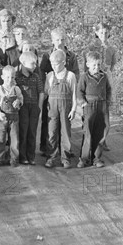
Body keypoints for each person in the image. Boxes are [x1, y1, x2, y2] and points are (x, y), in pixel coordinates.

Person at [39, 27, 80, 155]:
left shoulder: (71, 56)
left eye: (62, 39)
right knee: (50, 122)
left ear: (66, 40)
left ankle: (65, 150)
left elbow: (76, 73)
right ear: (52, 41)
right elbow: (42, 71)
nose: (60, 42)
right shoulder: (47, 55)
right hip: (52, 91)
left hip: (66, 91)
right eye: (57, 40)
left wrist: (72, 86)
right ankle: (47, 148)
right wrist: (45, 88)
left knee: (65, 123)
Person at [84, 22, 117, 151]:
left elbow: (113, 64)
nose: (104, 34)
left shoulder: (111, 48)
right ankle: (90, 139)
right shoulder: (91, 47)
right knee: (92, 110)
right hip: (93, 77)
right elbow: (87, 63)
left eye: (106, 32)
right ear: (96, 33)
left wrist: (108, 73)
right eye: (101, 32)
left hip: (105, 77)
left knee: (105, 110)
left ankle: (103, 140)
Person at [44, 49, 77, 169]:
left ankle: (65, 158)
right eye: (52, 64)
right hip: (52, 108)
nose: (53, 66)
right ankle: (51, 157)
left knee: (65, 133)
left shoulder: (70, 76)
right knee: (51, 132)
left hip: (65, 108)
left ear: (64, 62)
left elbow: (74, 94)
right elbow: (46, 92)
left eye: (56, 64)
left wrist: (73, 109)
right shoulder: (50, 76)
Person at [78, 51, 111, 168]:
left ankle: (96, 158)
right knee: (88, 132)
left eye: (98, 65)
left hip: (102, 106)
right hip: (89, 106)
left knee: (102, 130)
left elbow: (108, 90)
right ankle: (84, 159)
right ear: (87, 64)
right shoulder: (84, 77)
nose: (96, 67)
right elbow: (80, 91)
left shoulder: (104, 77)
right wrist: (83, 102)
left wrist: (107, 102)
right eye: (94, 65)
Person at [15, 51, 44, 165]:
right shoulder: (17, 77)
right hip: (23, 107)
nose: (35, 66)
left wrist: (39, 107)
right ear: (23, 63)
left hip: (34, 107)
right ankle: (22, 156)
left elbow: (41, 92)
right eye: (32, 63)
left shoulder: (36, 77)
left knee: (32, 131)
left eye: (36, 63)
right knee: (23, 131)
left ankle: (31, 156)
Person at [0, 65, 24, 167]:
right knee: (0, 138)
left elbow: (21, 99)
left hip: (14, 118)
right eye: (8, 77)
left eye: (13, 77)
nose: (10, 80)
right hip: (2, 118)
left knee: (14, 139)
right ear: (2, 77)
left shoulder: (16, 89)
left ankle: (14, 159)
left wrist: (18, 102)